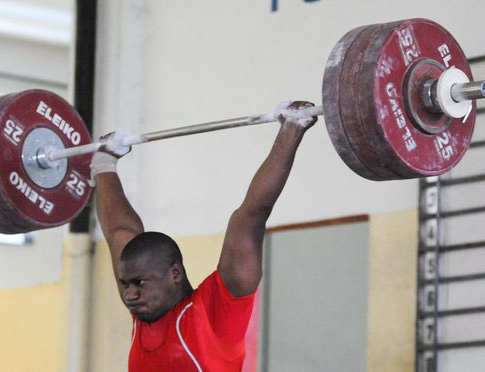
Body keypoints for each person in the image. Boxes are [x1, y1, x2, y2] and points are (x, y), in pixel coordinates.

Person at [90, 101, 317, 371]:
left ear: (175, 274)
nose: (129, 295)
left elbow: (251, 216)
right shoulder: (145, 310)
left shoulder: (214, 314)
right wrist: (103, 162)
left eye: (138, 283)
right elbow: (119, 233)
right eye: (126, 284)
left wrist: (292, 128)